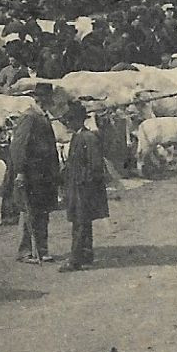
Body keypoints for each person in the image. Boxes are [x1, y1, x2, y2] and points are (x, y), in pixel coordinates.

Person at [3, 83, 63, 263]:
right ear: (39, 99)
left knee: (42, 212)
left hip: (44, 174)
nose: (50, 102)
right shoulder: (29, 118)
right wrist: (20, 171)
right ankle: (25, 251)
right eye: (46, 99)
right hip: (32, 174)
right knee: (29, 211)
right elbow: (18, 147)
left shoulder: (43, 116)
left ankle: (42, 250)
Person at [60, 102, 108, 272]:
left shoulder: (89, 138)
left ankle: (75, 260)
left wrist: (85, 184)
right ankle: (86, 254)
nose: (67, 124)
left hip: (84, 188)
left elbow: (95, 166)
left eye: (70, 120)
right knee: (82, 221)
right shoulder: (77, 137)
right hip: (76, 186)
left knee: (80, 223)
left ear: (79, 120)